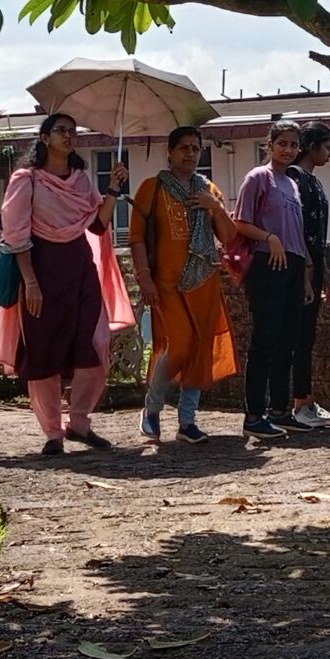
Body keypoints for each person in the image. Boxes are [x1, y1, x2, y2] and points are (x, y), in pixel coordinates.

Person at [0, 114, 133, 454]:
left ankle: (79, 422)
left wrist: (113, 188)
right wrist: (31, 283)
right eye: (61, 130)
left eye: (73, 131)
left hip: (80, 270)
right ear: (44, 138)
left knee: (96, 343)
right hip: (41, 272)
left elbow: (97, 225)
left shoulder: (81, 180)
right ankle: (53, 432)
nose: (69, 136)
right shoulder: (26, 179)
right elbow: (15, 236)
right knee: (44, 352)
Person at [131, 126, 254, 444]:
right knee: (180, 345)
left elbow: (228, 236)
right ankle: (152, 409)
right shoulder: (152, 188)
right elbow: (136, 238)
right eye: (183, 147)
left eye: (195, 148)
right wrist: (144, 277)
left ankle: (187, 421)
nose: (190, 153)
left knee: (200, 347)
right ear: (169, 153)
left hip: (204, 281)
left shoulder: (207, 189)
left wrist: (215, 207)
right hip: (166, 283)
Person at [234, 121, 305, 441]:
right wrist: (269, 237)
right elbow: (241, 222)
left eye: (293, 144)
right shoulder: (258, 177)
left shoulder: (291, 183)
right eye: (282, 143)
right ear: (270, 144)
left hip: (293, 264)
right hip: (267, 263)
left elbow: (297, 233)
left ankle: (279, 409)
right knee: (265, 339)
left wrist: (305, 274)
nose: (288, 149)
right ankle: (254, 414)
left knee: (288, 341)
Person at [285, 123, 330, 429]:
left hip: (314, 263)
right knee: (298, 335)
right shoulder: (295, 178)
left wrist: (322, 267)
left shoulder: (313, 181)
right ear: (312, 147)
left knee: (308, 334)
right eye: (327, 147)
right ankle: (298, 401)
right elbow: (296, 226)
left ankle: (307, 398)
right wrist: (308, 269)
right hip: (300, 265)